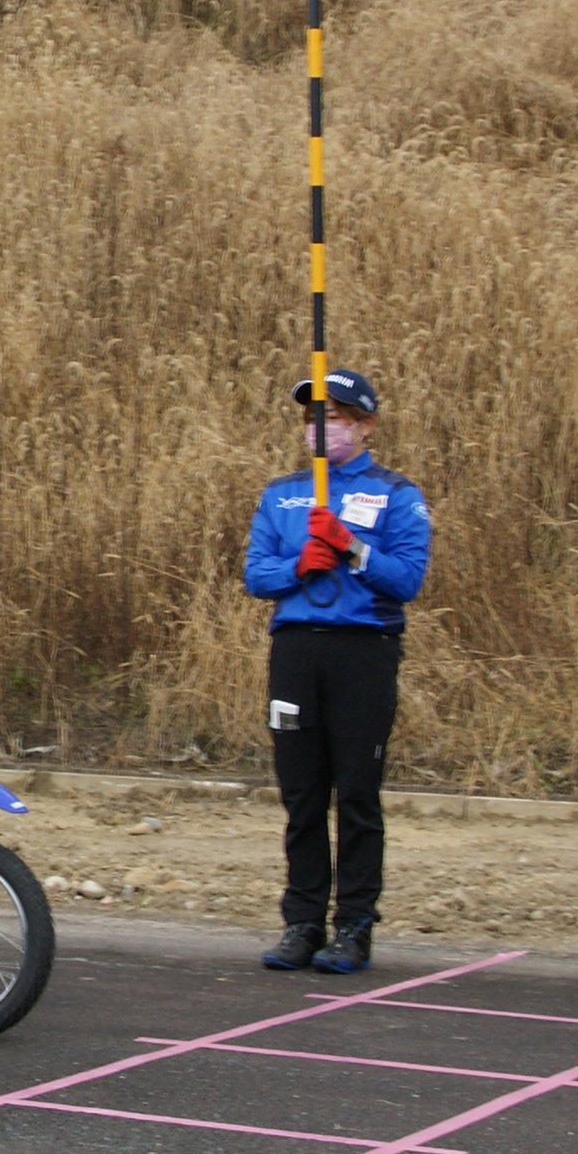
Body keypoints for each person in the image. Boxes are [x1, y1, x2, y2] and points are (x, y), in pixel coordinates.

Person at [240, 368, 431, 974]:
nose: (320, 428)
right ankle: (302, 921)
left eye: (334, 416)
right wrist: (303, 562)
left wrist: (352, 549)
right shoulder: (282, 494)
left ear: (365, 424)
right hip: (297, 651)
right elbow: (255, 575)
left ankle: (353, 925)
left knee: (355, 793)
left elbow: (407, 580)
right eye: (310, 417)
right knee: (300, 794)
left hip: (362, 651)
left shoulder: (396, 493)